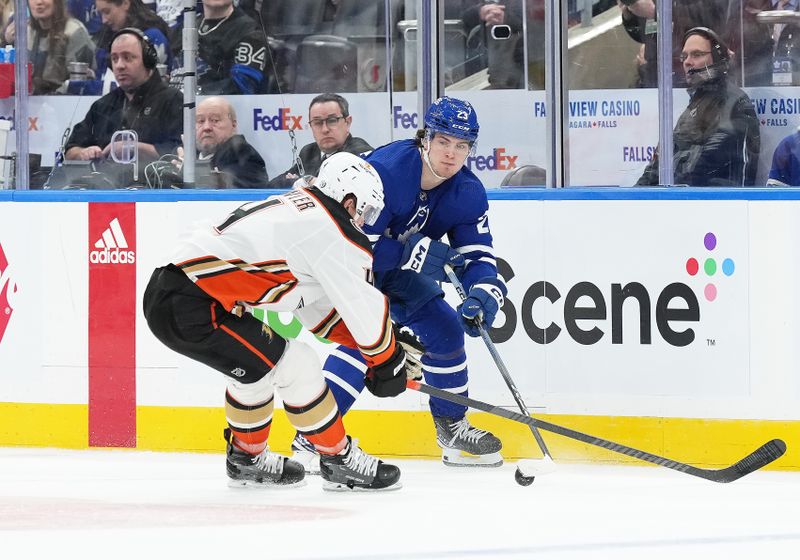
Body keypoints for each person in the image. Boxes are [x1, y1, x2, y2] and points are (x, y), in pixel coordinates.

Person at [142, 152, 409, 491]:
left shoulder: (304, 211)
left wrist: (381, 348)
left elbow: (316, 311)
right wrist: (387, 361)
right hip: (191, 304)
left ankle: (247, 459)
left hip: (177, 292)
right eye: (365, 211)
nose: (363, 221)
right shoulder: (333, 229)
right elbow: (365, 312)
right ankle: (338, 459)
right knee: (297, 364)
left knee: (255, 370)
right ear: (349, 199)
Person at [293, 96, 506, 471]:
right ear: (425, 138)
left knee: (445, 328)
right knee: (368, 337)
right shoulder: (388, 170)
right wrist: (411, 253)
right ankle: (314, 438)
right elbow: (349, 238)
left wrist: (484, 293)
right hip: (344, 267)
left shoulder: (468, 193)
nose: (451, 154)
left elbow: (478, 256)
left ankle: (452, 428)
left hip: (392, 271)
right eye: (443, 141)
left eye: (462, 145)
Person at [636, 27, 760, 186]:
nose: (687, 61)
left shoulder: (735, 103)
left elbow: (701, 167)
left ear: (717, 58)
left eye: (697, 54)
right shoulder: (695, 106)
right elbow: (659, 164)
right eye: (684, 56)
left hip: (717, 204)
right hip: (685, 200)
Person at [64, 28, 182, 170]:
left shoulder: (173, 100)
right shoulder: (102, 106)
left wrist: (131, 147)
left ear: (148, 60)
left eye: (128, 57)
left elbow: (181, 152)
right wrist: (82, 153)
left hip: (156, 188)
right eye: (114, 59)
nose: (119, 66)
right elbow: (69, 151)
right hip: (106, 188)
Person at [268, 93, 372, 188]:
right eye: (317, 122)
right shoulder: (309, 152)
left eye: (332, 121)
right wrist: (296, 182)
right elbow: (271, 186)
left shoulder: (360, 153)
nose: (325, 129)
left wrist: (307, 181)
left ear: (348, 122)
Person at [175, 96, 268, 188]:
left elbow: (228, 190)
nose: (206, 127)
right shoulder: (182, 156)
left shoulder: (244, 156)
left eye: (215, 120)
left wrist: (187, 172)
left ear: (234, 125)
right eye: (200, 121)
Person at [18, 0, 96, 94]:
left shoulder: (74, 32)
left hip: (65, 103)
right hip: (32, 102)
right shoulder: (26, 33)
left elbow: (79, 84)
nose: (39, 2)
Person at [194, 0, 267, 95]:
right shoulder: (185, 27)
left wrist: (194, 95)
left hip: (215, 107)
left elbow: (243, 83)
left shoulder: (249, 30)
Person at [93, 0, 171, 75]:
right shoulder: (107, 35)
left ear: (125, 3)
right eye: (101, 14)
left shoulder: (152, 38)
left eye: (107, 12)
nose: (104, 20)